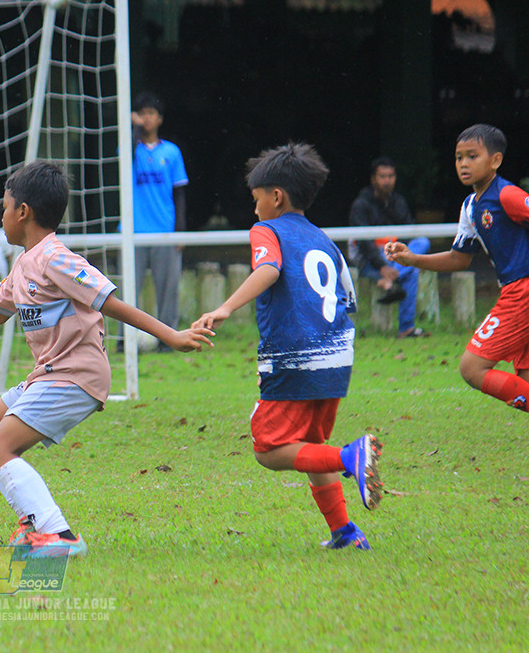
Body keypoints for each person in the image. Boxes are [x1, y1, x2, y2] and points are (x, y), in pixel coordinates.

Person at [0, 161, 213, 557]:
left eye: (5, 207)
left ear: (23, 212)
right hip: (46, 375)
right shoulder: (24, 263)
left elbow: (110, 303)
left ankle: (58, 535)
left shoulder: (55, 259)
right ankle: (32, 522)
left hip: (76, 376)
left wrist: (172, 335)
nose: (2, 216)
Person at [193, 143, 383, 550]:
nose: (255, 208)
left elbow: (269, 268)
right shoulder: (323, 238)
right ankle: (345, 533)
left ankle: (349, 458)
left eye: (256, 198)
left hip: (295, 354)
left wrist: (226, 307)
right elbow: (348, 298)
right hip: (337, 354)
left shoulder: (267, 230)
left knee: (268, 448)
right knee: (308, 445)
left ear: (275, 196)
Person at [386, 124, 529, 414]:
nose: (463, 163)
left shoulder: (507, 195)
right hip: (517, 291)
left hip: (521, 293)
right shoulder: (470, 207)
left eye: (472, 156)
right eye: (458, 157)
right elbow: (458, 259)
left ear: (495, 160)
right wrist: (412, 259)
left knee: (472, 367)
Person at [120, 91, 188, 352]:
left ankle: (167, 340)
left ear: (159, 118)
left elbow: (179, 193)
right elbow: (125, 155)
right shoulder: (129, 146)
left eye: (151, 113)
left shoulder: (171, 152)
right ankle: (122, 341)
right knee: (127, 290)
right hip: (132, 231)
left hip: (165, 231)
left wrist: (180, 232)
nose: (147, 119)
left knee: (167, 289)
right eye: (142, 113)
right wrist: (133, 128)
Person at [348, 156, 430, 338]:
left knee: (423, 241)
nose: (387, 181)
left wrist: (392, 262)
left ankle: (392, 281)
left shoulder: (398, 201)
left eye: (391, 176)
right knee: (412, 272)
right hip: (370, 259)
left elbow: (408, 232)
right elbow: (363, 243)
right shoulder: (361, 204)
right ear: (373, 179)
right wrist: (382, 266)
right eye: (382, 176)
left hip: (393, 255)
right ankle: (407, 328)